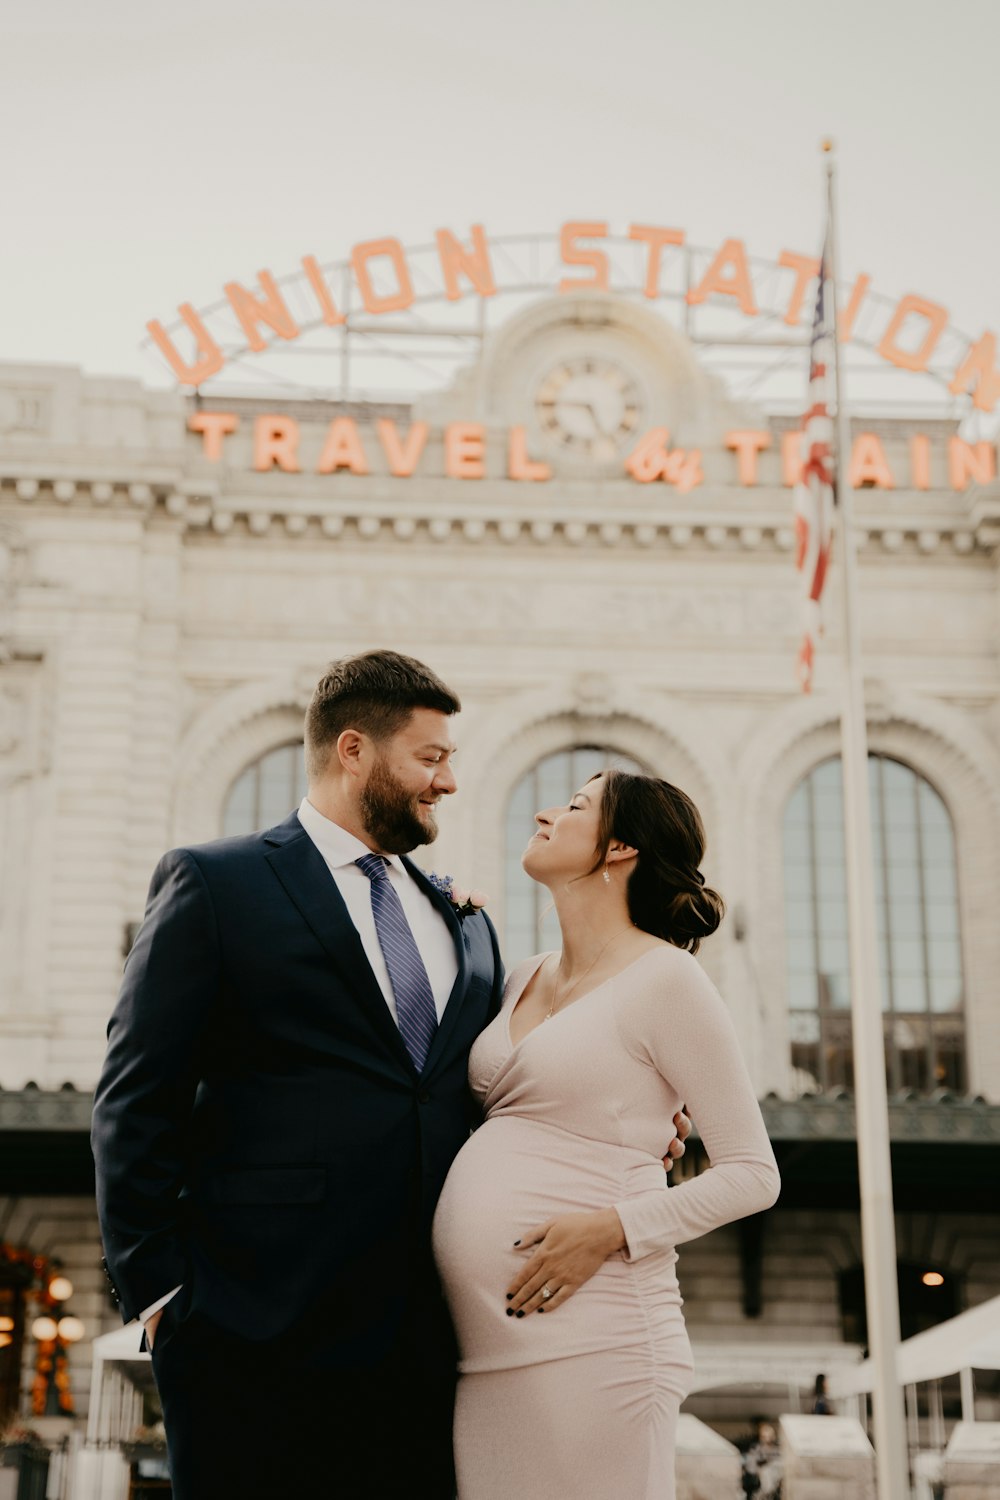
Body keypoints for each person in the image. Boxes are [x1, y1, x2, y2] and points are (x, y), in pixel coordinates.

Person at [91, 650, 689, 1499]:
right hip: (252, 1326)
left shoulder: (465, 925)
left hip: (436, 1339)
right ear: (353, 751)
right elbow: (135, 1091)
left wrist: (633, 1127)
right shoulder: (217, 883)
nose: (448, 782)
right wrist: (161, 1294)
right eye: (431, 757)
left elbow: (509, 1090)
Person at [433, 769, 781, 1500]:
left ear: (620, 847)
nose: (545, 810)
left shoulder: (668, 980)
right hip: (486, 1356)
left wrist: (614, 1228)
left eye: (575, 806)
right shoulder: (521, 976)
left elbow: (753, 1172)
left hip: (599, 1337)